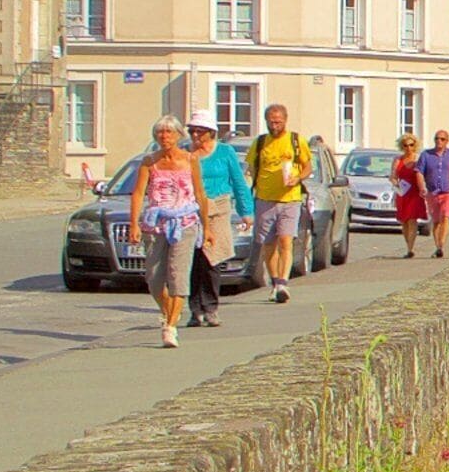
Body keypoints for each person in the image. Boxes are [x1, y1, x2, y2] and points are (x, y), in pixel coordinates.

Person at [123, 116, 203, 348]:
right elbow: (138, 193)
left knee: (178, 275)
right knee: (155, 278)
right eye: (161, 133)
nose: (165, 137)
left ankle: (170, 326)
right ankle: (169, 312)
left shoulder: (190, 160)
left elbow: (200, 193)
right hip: (156, 224)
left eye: (169, 132)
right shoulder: (149, 162)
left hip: (185, 222)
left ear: (179, 135)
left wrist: (207, 228)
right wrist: (134, 224)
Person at [186, 112, 253, 329]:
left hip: (219, 208)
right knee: (193, 261)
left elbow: (238, 182)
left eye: (199, 131)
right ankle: (195, 310)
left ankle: (211, 308)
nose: (195, 135)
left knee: (212, 260)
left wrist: (246, 211)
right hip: (192, 211)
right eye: (192, 130)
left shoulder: (225, 152)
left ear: (210, 132)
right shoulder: (187, 154)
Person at [249, 102, 312, 304]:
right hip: (265, 199)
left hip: (290, 199)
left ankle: (283, 283)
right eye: (271, 122)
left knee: (286, 240)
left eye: (278, 122)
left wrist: (297, 178)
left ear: (285, 120)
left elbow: (308, 167)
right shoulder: (260, 143)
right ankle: (275, 282)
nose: (275, 126)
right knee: (268, 245)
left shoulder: (295, 140)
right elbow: (251, 166)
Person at [412, 130, 449, 257]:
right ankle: (437, 244)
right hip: (432, 192)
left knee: (446, 217)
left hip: (448, 192)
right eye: (437, 138)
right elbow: (419, 172)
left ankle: (441, 245)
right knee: (436, 220)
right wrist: (422, 187)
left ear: (447, 141)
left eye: (442, 139)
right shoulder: (426, 155)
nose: (439, 141)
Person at [391, 131, 430, 256]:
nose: (409, 148)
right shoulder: (398, 160)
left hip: (414, 193)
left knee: (412, 220)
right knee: (404, 221)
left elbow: (424, 174)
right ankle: (408, 244)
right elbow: (392, 176)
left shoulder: (418, 159)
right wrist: (395, 183)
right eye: (405, 145)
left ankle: (410, 249)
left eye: (411, 145)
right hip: (402, 193)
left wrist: (424, 187)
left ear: (415, 145)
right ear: (402, 146)